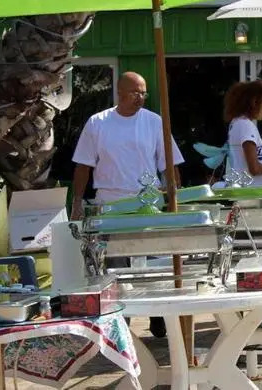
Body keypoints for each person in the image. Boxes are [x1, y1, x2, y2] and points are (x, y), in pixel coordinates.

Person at [70, 71, 183, 338]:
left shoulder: (154, 122)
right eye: (135, 93)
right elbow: (83, 165)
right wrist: (77, 202)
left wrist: (173, 193)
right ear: (120, 93)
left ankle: (158, 314)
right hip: (111, 204)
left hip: (147, 203)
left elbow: (169, 163)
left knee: (155, 261)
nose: (140, 98)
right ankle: (121, 322)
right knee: (114, 266)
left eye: (143, 93)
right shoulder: (98, 123)